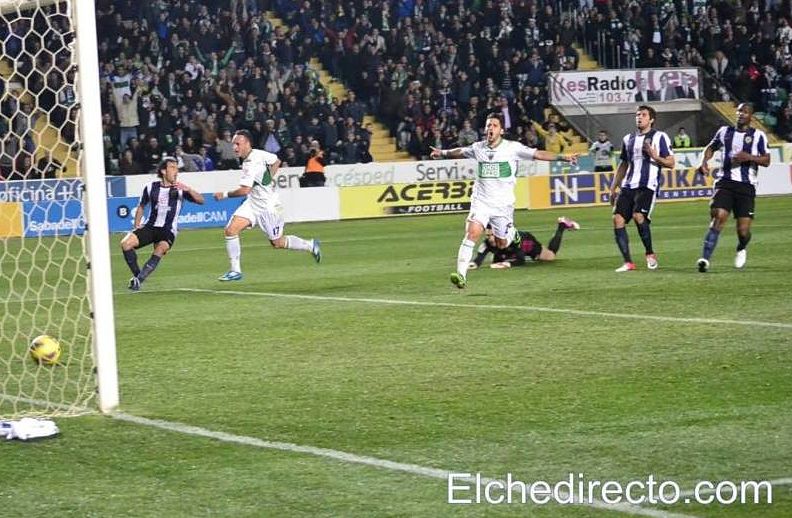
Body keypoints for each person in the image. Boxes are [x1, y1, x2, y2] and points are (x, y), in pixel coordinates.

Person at [429, 112, 579, 289]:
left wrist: (563, 157)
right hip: (481, 202)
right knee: (472, 233)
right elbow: (461, 151)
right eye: (487, 125)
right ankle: (461, 275)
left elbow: (538, 154)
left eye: (493, 125)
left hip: (503, 206)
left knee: (502, 243)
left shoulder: (512, 148)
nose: (489, 128)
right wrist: (442, 153)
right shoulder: (479, 148)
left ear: (501, 130)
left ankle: (513, 234)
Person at [214, 129, 321, 281]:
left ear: (247, 143)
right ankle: (235, 271)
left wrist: (224, 195)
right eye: (233, 144)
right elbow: (276, 160)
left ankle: (310, 245)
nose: (234, 147)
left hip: (268, 207)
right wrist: (268, 178)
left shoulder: (251, 164)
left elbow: (245, 190)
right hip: (252, 203)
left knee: (277, 242)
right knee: (231, 230)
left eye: (238, 144)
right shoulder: (258, 153)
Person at [695, 103, 770, 272]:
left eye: (745, 112)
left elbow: (766, 160)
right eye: (739, 111)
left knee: (743, 231)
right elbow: (711, 148)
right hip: (725, 182)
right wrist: (704, 162)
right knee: (718, 216)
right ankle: (705, 259)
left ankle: (741, 247)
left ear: (751, 116)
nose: (741, 114)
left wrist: (748, 157)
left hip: (746, 186)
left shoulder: (758, 136)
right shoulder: (724, 132)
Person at [607, 105, 675, 272]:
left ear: (651, 119)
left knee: (638, 215)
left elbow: (671, 163)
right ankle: (628, 262)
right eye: (637, 115)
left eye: (643, 115)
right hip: (628, 185)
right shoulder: (627, 139)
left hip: (647, 185)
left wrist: (654, 156)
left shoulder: (660, 137)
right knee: (617, 219)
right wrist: (613, 187)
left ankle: (650, 253)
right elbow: (623, 164)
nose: (639, 117)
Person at [121, 157, 205, 291]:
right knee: (125, 244)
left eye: (177, 168)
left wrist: (188, 189)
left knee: (160, 249)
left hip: (168, 230)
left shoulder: (181, 189)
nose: (176, 171)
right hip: (150, 227)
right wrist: (137, 225)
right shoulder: (150, 187)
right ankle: (138, 275)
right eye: (172, 167)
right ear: (163, 171)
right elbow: (142, 206)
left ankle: (138, 281)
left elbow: (201, 200)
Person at [469, 217, 581, 269]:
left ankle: (561, 225)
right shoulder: (487, 243)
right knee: (496, 261)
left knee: (550, 257)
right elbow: (478, 259)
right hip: (509, 250)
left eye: (491, 235)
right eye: (487, 235)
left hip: (526, 242)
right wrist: (471, 265)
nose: (490, 239)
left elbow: (521, 260)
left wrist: (508, 264)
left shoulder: (512, 239)